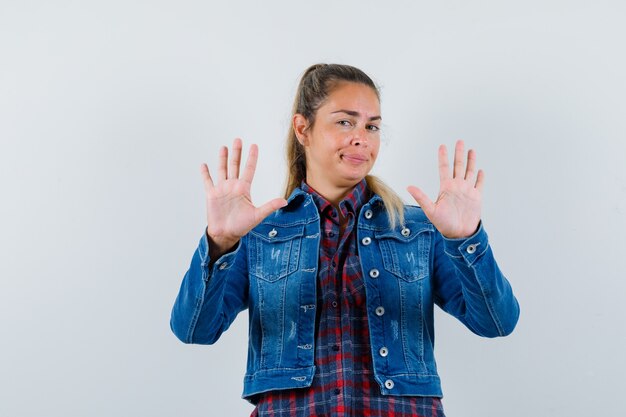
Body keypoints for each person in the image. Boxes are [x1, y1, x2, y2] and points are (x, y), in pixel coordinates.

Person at [170, 63, 520, 417]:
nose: (361, 138)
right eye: (345, 121)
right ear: (303, 128)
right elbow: (194, 329)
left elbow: (496, 322)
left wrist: (465, 240)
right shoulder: (259, 233)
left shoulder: (420, 229)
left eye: (372, 126)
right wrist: (220, 243)